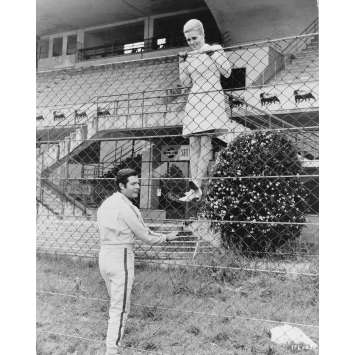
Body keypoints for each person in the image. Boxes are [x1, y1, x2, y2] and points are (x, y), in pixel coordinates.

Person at [97, 168, 179, 355]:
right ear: (121, 185)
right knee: (120, 308)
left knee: (115, 305)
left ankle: (112, 345)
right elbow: (145, 235)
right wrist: (166, 237)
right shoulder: (127, 207)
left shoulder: (106, 204)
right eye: (133, 184)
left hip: (105, 256)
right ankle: (112, 350)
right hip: (121, 257)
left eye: (138, 183)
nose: (138, 187)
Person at [178, 19, 232, 202]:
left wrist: (212, 55)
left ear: (202, 35)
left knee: (205, 141)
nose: (192, 42)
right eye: (188, 39)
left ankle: (197, 184)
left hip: (211, 97)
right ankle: (194, 187)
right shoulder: (190, 56)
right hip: (195, 99)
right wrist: (182, 64)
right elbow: (185, 84)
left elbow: (227, 72)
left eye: (194, 38)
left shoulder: (215, 48)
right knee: (193, 143)